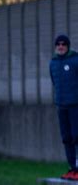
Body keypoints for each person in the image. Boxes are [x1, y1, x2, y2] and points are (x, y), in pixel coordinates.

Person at [49, 34, 78, 181]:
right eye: (58, 44)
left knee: (76, 137)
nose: (60, 46)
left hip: (75, 106)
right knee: (66, 138)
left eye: (63, 44)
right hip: (62, 106)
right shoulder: (53, 63)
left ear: (67, 46)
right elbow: (55, 82)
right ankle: (73, 169)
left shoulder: (75, 60)